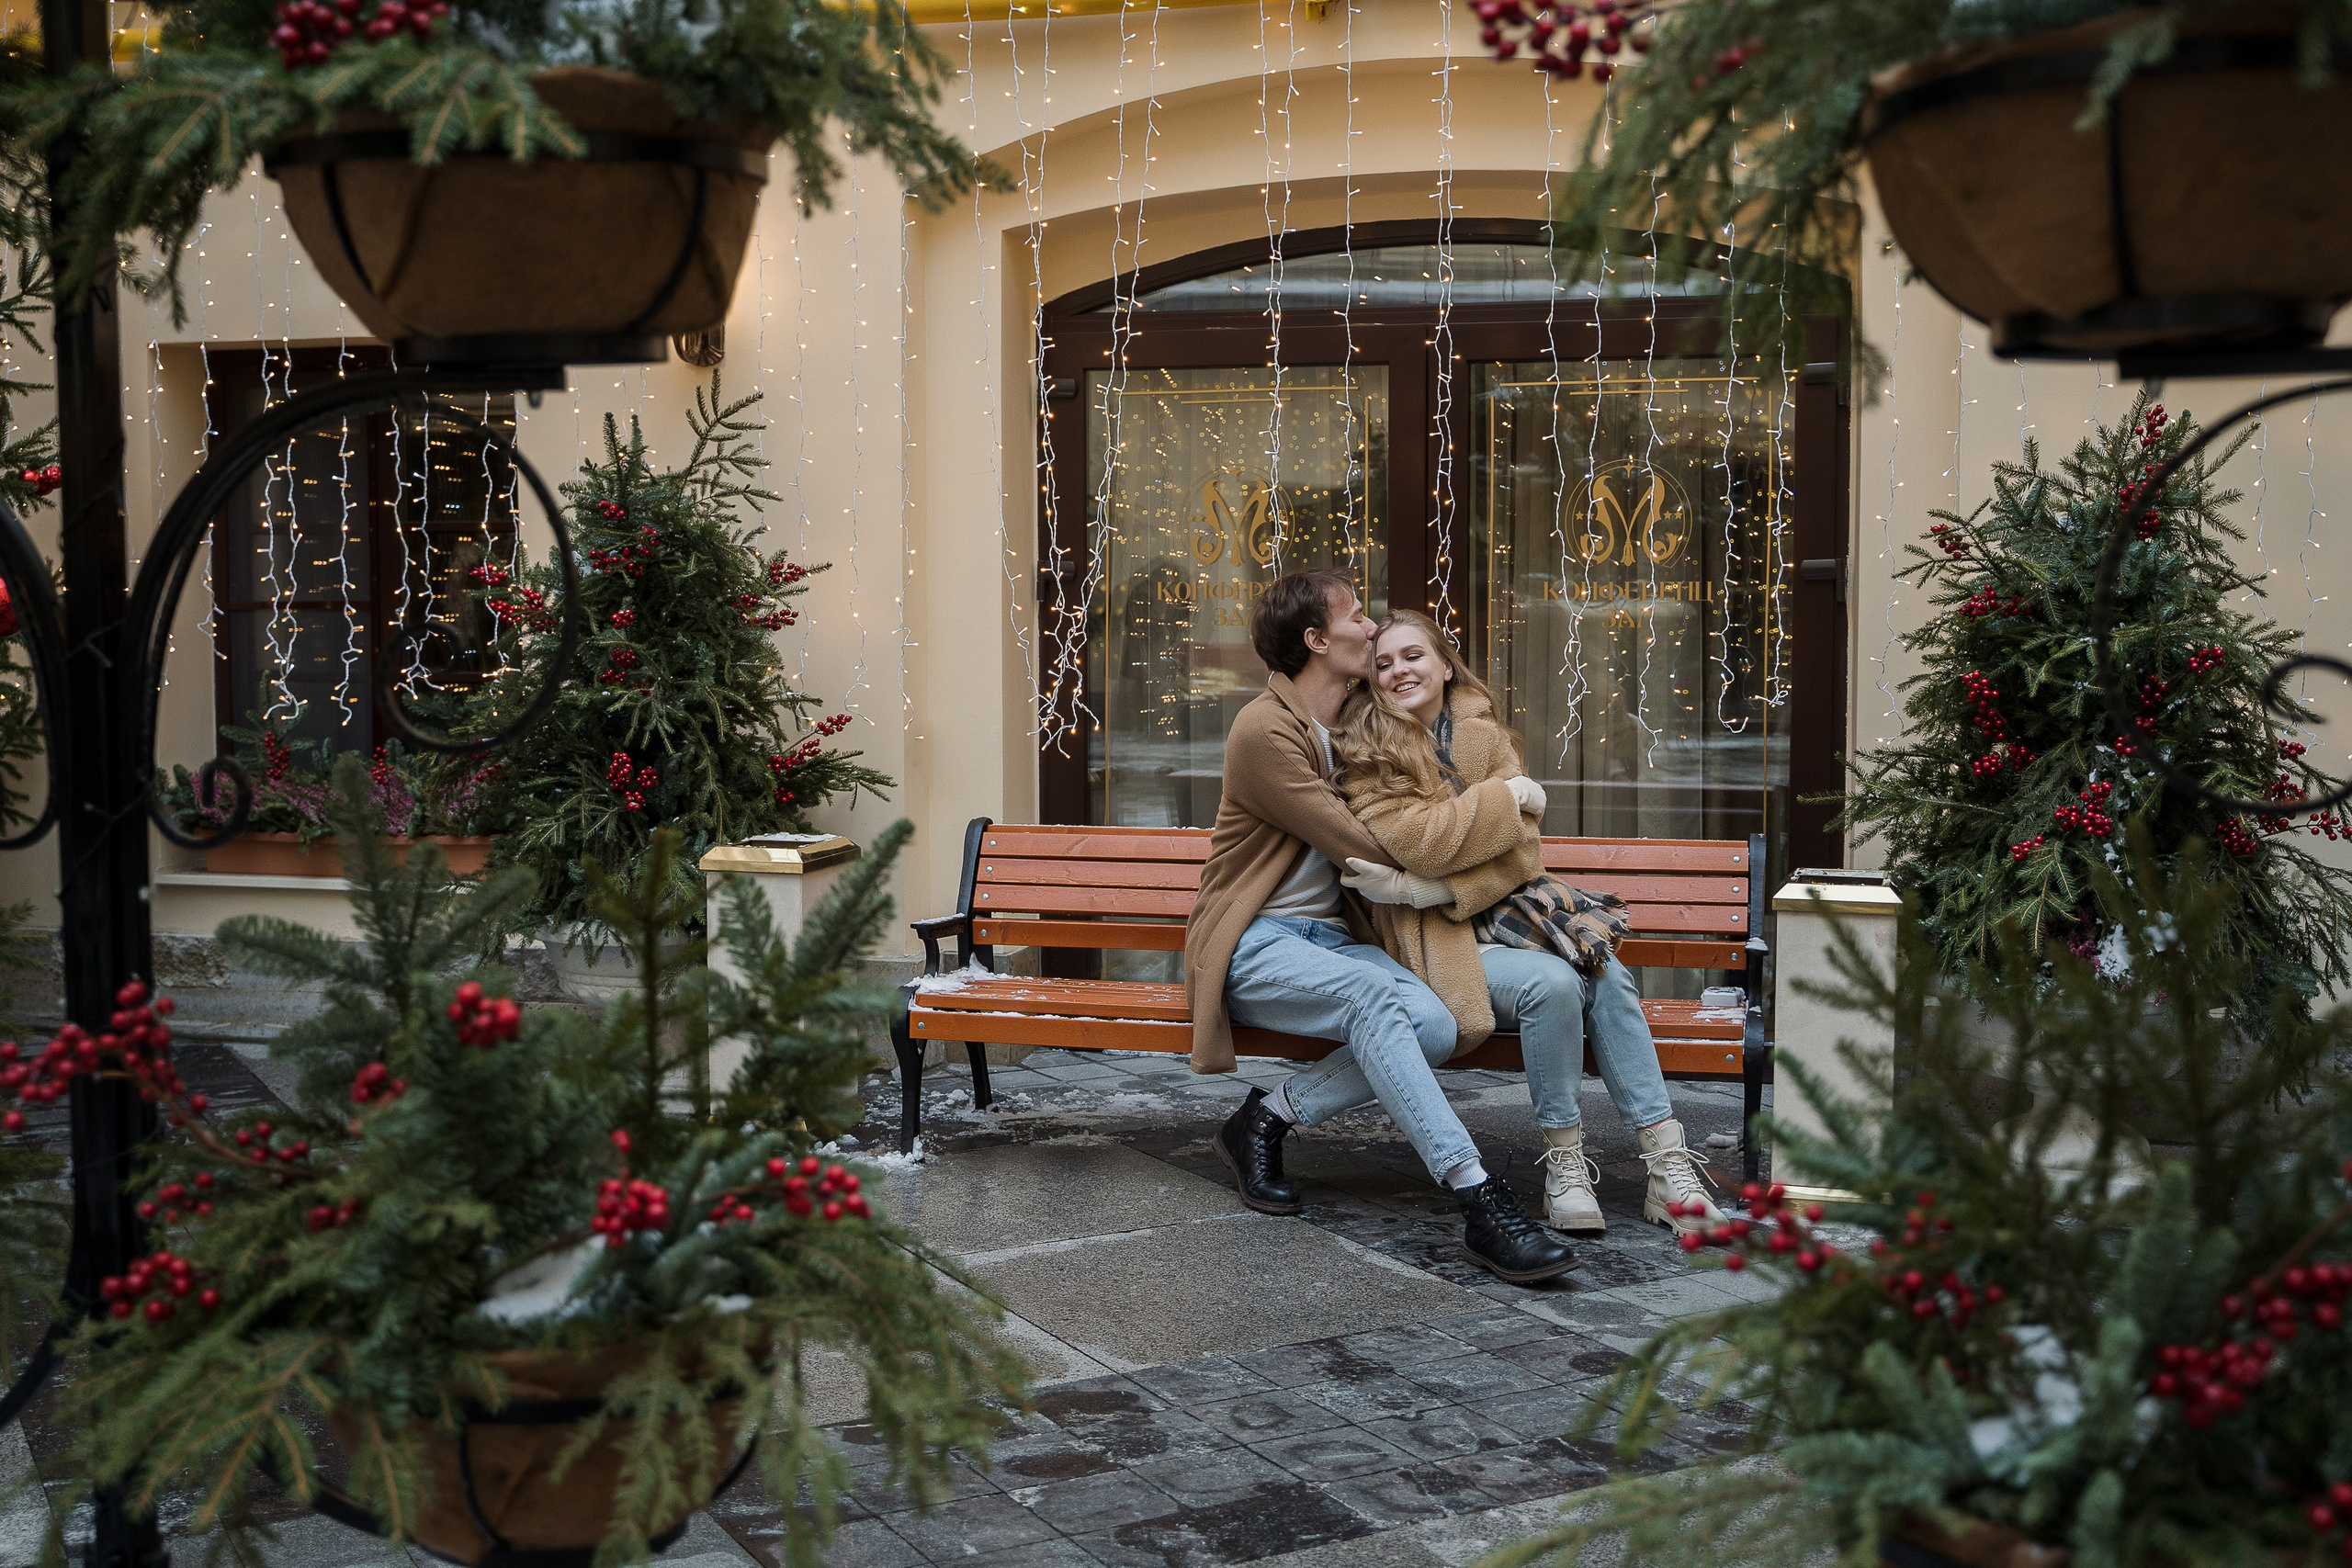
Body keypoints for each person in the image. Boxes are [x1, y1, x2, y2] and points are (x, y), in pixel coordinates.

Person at [1185, 569, 1575, 1283]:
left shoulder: (1360, 718)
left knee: (1436, 1024)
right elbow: (1374, 841)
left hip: (1333, 943)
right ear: (1316, 639)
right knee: (1379, 1002)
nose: (1371, 629)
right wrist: (1505, 804)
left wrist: (1482, 807)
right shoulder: (1265, 729)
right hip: (1256, 943)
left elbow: (1445, 742)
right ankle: (1478, 1197)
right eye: (1357, 617)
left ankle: (1265, 1119)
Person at [1329, 609, 1725, 1237]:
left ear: (1444, 662)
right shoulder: (1365, 750)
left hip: (1511, 919)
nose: (1398, 670)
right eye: (1383, 663)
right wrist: (1505, 798)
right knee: (1556, 984)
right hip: (1436, 940)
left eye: (1412, 656)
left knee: (1609, 976)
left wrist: (1429, 885)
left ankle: (1665, 1163)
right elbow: (1418, 840)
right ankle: (1564, 1162)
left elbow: (1522, 855)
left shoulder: (1483, 734)